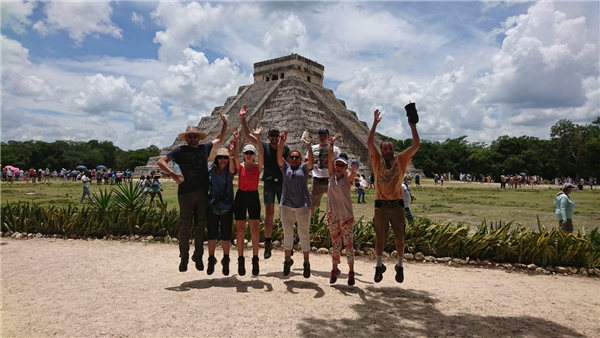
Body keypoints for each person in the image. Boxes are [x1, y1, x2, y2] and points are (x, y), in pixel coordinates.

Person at [157, 114, 228, 272]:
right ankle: (184, 256)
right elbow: (161, 161)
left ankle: (198, 255)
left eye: (195, 136)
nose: (193, 138)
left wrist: (224, 125)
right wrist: (172, 174)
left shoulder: (204, 148)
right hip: (186, 193)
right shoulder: (179, 150)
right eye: (190, 136)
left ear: (199, 138)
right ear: (186, 138)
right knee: (186, 225)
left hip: (202, 192)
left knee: (200, 225)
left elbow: (220, 140)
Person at [368, 108, 420, 284]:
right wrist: (374, 124)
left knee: (400, 237)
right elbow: (368, 143)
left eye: (390, 148)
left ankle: (399, 265)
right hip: (381, 204)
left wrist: (412, 127)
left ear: (393, 149)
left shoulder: (401, 159)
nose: (388, 150)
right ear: (381, 151)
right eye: (385, 148)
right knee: (379, 238)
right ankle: (379, 265)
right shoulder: (377, 161)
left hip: (397, 204)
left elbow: (416, 146)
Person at [240, 104, 289, 260]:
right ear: (268, 137)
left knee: (285, 213)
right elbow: (247, 134)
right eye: (272, 135)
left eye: (276, 135)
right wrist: (243, 118)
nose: (274, 138)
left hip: (281, 183)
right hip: (268, 182)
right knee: (269, 214)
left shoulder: (285, 148)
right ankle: (268, 243)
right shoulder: (263, 147)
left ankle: (287, 241)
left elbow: (290, 165)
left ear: (279, 136)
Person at [277, 130, 314, 277]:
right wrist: (282, 142)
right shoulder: (285, 167)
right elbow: (278, 157)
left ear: (300, 159)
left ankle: (306, 262)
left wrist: (309, 146)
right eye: (291, 157)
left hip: (303, 205)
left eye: (296, 157)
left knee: (303, 234)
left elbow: (310, 162)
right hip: (286, 204)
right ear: (289, 158)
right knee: (288, 234)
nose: (293, 159)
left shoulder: (304, 168)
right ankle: (287, 261)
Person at [231, 126, 264, 276]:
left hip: (253, 197)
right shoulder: (240, 166)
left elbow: (262, 153)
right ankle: (240, 258)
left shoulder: (257, 167)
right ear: (244, 155)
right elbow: (235, 156)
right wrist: (236, 140)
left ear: (254, 155)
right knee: (240, 229)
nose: (249, 155)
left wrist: (257, 137)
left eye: (251, 153)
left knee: (255, 229)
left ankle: (255, 258)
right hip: (241, 196)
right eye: (247, 153)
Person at [326, 134, 358, 285]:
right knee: (335, 244)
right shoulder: (331, 176)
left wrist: (354, 170)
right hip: (332, 216)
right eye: (337, 164)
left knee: (349, 245)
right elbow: (329, 159)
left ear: (345, 168)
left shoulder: (347, 179)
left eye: (341, 165)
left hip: (346, 217)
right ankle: (334, 270)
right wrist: (331, 145)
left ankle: (351, 271)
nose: (338, 167)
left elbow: (352, 176)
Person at [206, 145, 236, 276]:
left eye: (226, 158)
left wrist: (232, 152)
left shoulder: (230, 171)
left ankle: (226, 259)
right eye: (220, 157)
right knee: (212, 234)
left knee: (226, 235)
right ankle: (211, 258)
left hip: (227, 206)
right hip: (213, 206)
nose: (223, 160)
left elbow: (234, 165)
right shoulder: (211, 170)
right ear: (216, 159)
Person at [307, 128, 340, 215]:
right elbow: (307, 161)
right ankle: (306, 226)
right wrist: (308, 172)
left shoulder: (335, 149)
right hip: (317, 180)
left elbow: (339, 163)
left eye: (324, 135)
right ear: (317, 137)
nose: (322, 137)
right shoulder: (313, 148)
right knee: (311, 206)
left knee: (335, 205)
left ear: (328, 137)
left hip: (331, 180)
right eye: (320, 135)